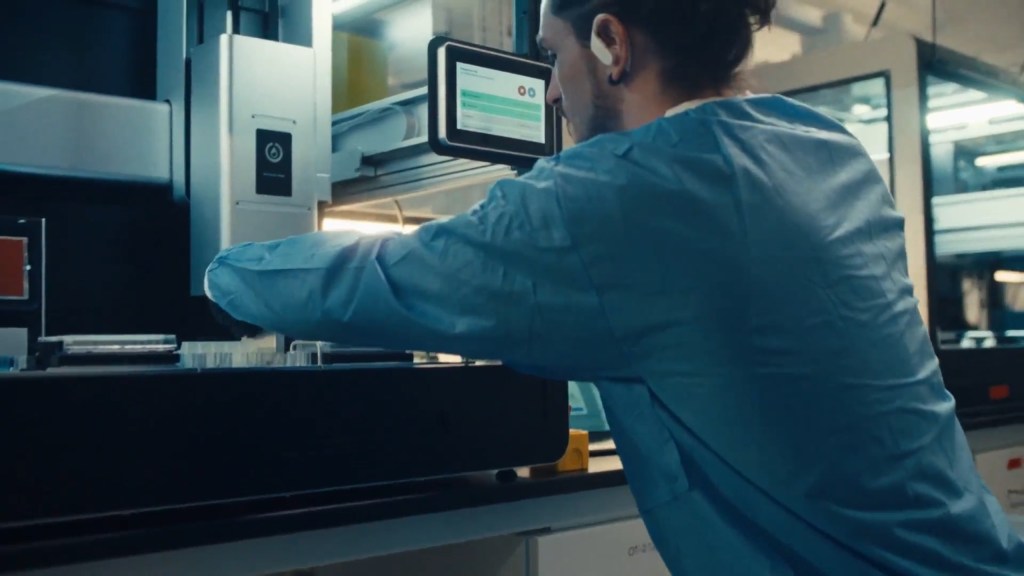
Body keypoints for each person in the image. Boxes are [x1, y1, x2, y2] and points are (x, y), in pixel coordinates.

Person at [205, 0, 1024, 572]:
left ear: (610, 43)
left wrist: (218, 271)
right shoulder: (824, 145)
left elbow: (382, 280)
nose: (552, 91)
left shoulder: (616, 196)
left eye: (553, 56)